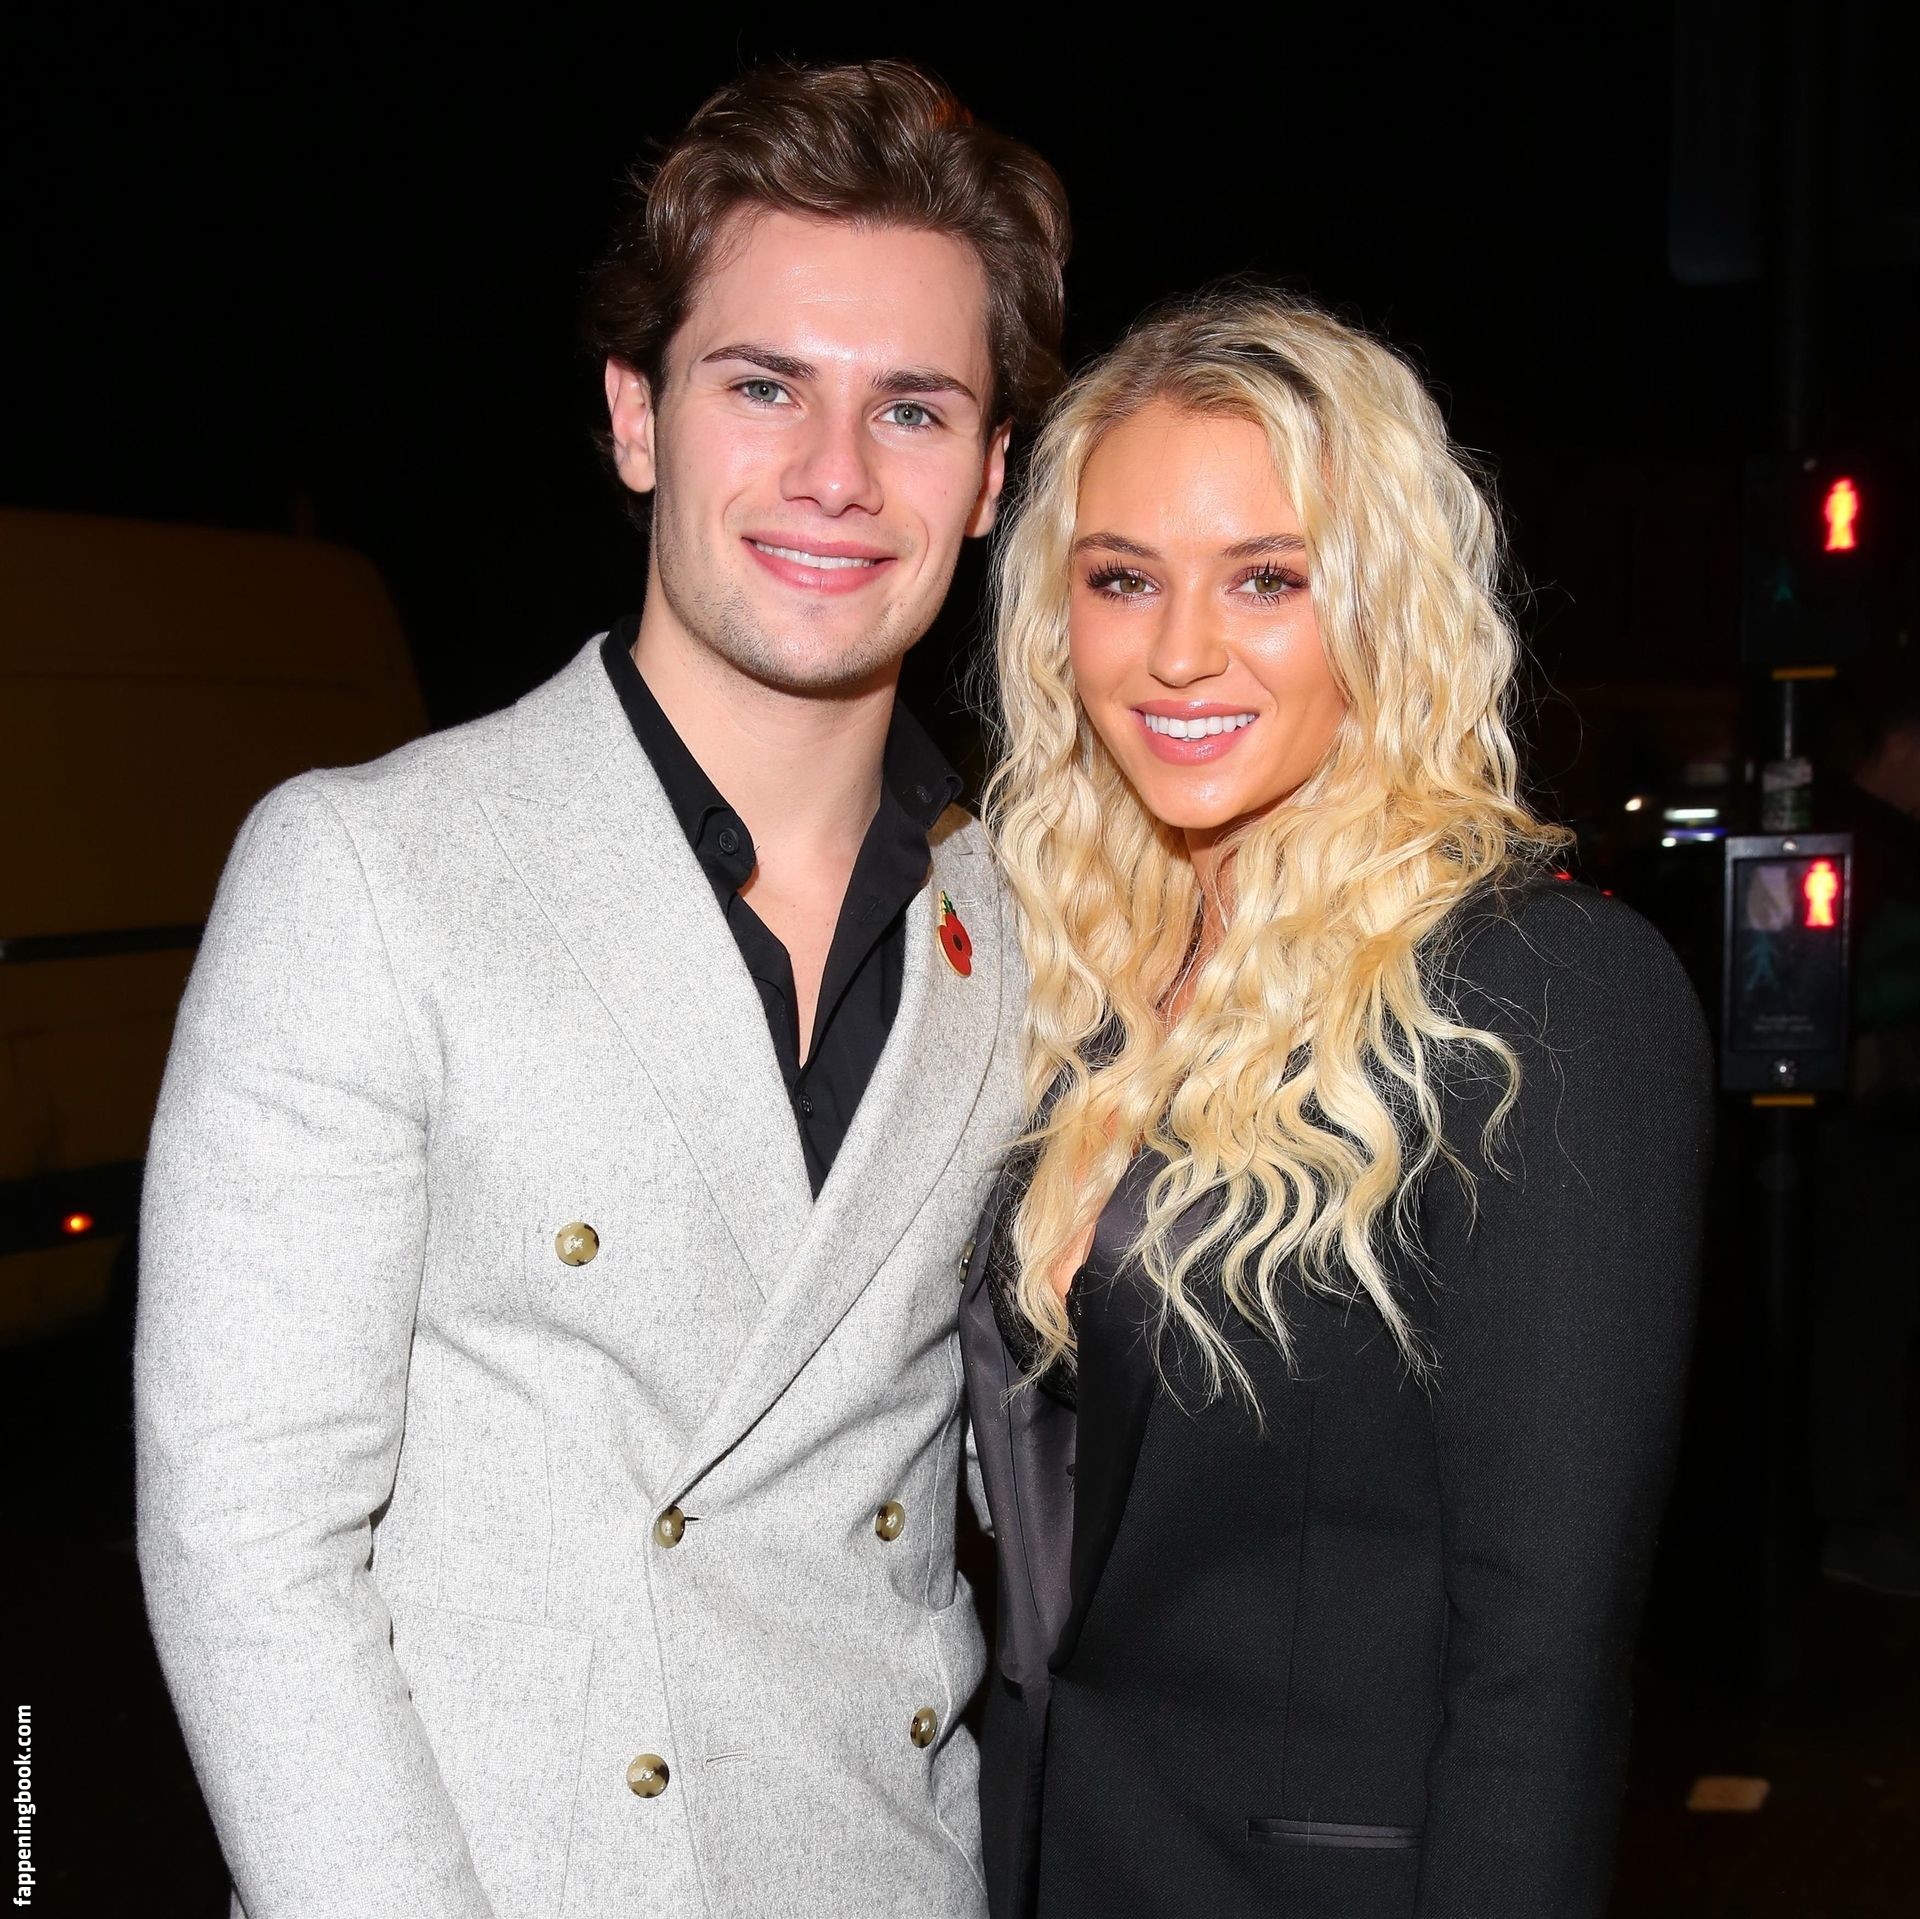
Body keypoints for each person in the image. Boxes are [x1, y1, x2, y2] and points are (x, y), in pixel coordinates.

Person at [136, 60, 1066, 1919]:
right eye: (763, 386)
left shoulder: (1027, 932)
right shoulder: (371, 875)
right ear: (638, 418)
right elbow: (248, 1552)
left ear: (987, 482)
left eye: (912, 408)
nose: (835, 473)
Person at [960, 288, 1713, 1918]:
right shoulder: (1067, 985)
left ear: (1384, 603)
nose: (1179, 651)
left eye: (1268, 579)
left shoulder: (1540, 997)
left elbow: (1544, 1671)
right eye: (1122, 579)